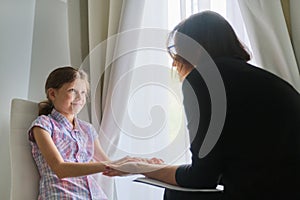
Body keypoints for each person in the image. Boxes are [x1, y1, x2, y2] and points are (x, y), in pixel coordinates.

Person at [103, 11, 300, 200]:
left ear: (195, 48)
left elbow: (201, 178)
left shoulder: (203, 79)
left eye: (177, 50)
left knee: (177, 195)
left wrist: (142, 169)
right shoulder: (267, 80)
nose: (174, 62)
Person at [28, 66, 162, 200]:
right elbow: (60, 169)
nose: (80, 98)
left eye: (83, 93)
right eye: (72, 91)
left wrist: (142, 164)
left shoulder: (87, 129)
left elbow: (109, 166)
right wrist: (114, 165)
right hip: (62, 195)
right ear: (52, 94)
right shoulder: (43, 125)